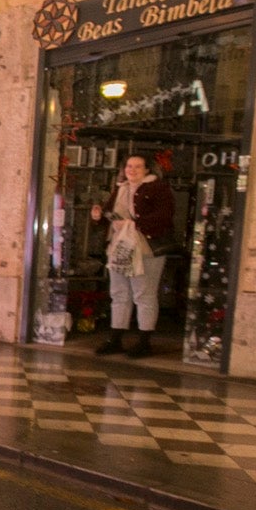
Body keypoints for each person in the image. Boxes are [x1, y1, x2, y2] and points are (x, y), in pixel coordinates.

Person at [91, 153, 175, 359]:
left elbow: (164, 216)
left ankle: (144, 341)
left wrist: (134, 224)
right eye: (129, 166)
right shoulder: (120, 188)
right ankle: (115, 338)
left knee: (144, 294)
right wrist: (99, 216)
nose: (132, 170)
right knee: (119, 293)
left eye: (138, 166)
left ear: (147, 170)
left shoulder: (158, 188)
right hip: (119, 248)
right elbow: (109, 217)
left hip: (145, 249)